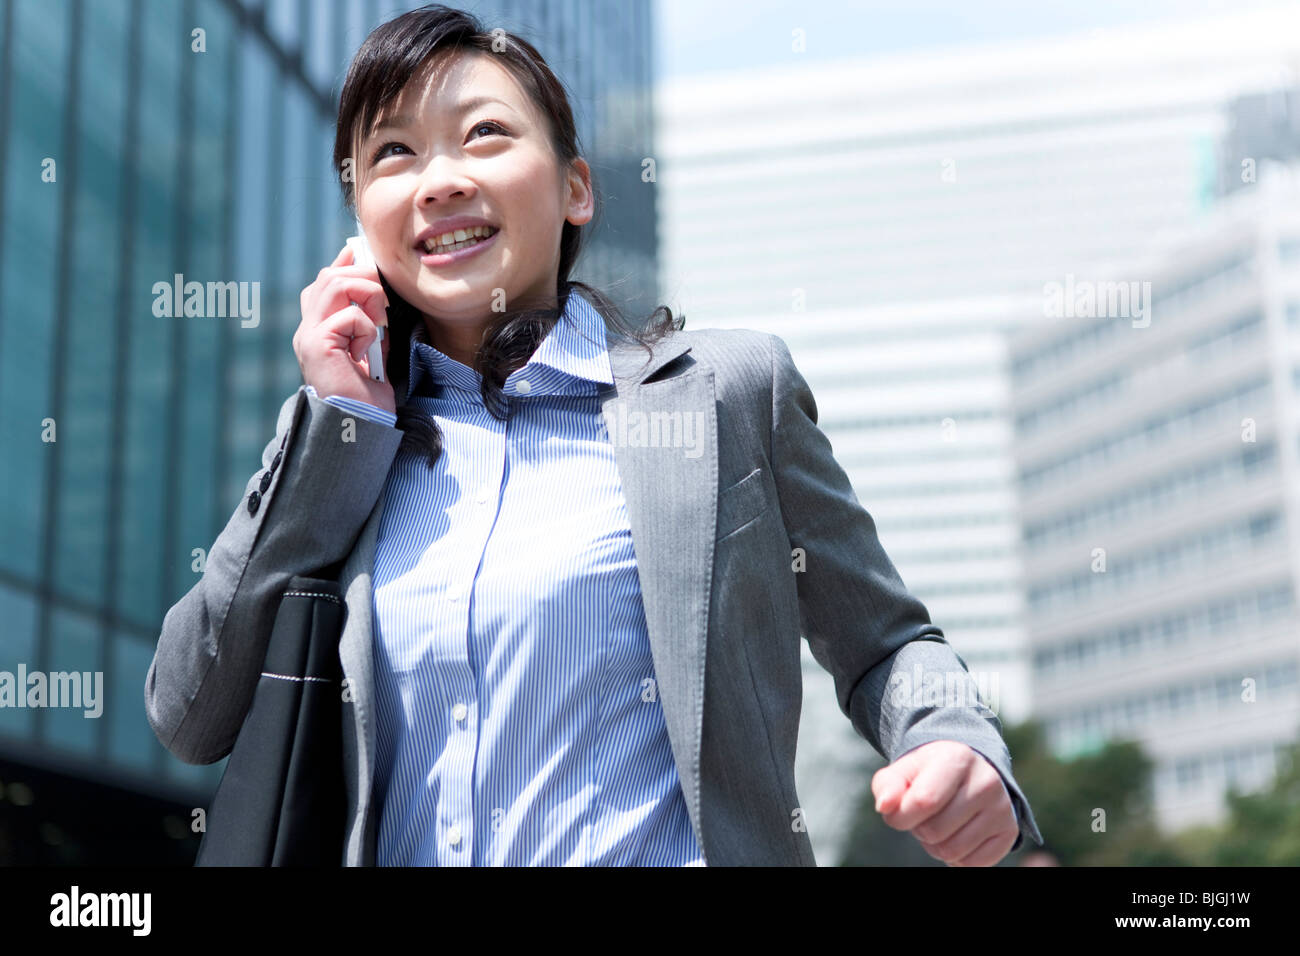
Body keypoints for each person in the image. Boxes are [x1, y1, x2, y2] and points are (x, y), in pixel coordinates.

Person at [146, 3, 1044, 867]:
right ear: (362, 221)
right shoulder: (342, 437)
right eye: (393, 152)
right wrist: (341, 427)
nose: (440, 179)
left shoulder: (726, 394)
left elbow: (886, 641)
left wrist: (951, 739)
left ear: (575, 187)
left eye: (485, 133)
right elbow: (189, 712)